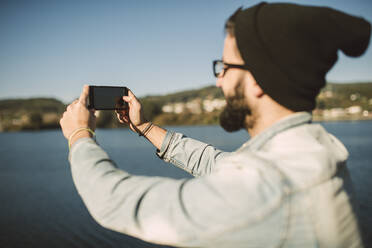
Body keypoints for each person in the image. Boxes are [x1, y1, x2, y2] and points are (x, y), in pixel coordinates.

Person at [60, 2, 370, 248]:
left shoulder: (272, 187)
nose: (218, 81)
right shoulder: (307, 152)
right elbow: (217, 164)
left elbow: (120, 204)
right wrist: (145, 127)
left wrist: (80, 135)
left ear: (260, 79)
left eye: (224, 67)